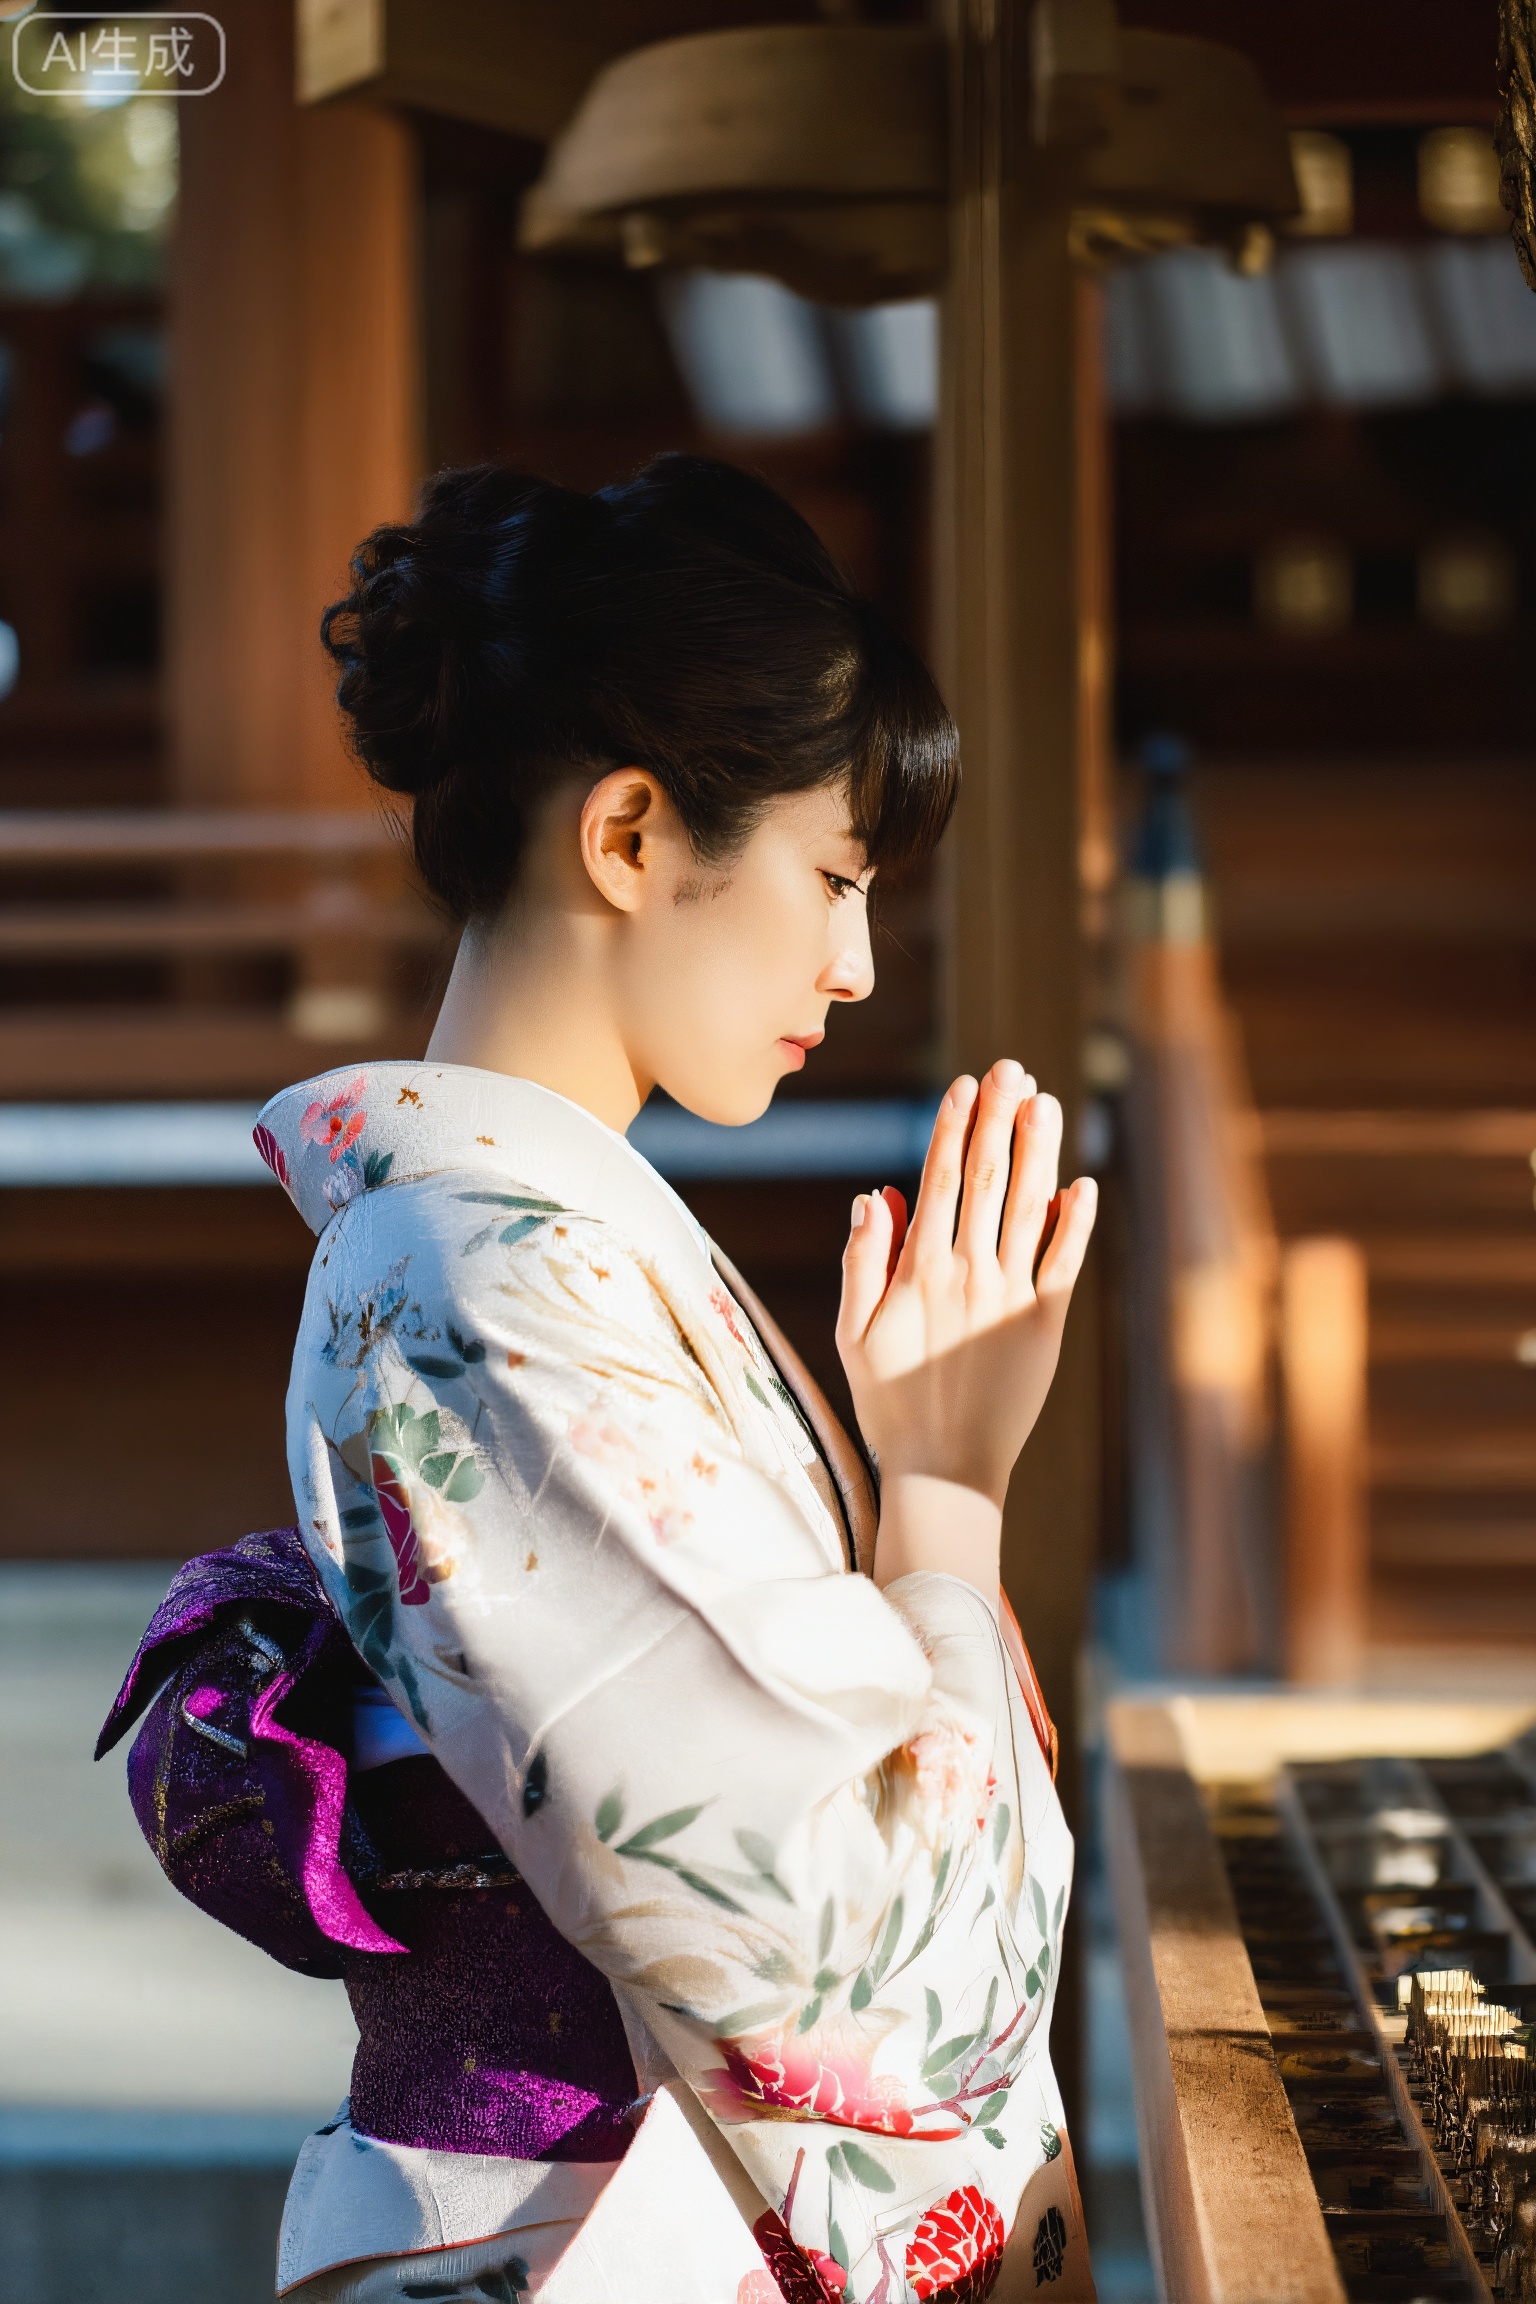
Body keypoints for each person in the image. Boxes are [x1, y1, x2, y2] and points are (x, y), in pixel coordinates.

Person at [102, 456, 1099, 2302]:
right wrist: (946, 1509)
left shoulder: (519, 1251)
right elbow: (840, 1956)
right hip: (582, 2241)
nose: (860, 964)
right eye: (834, 876)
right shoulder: (486, 1282)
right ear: (632, 835)